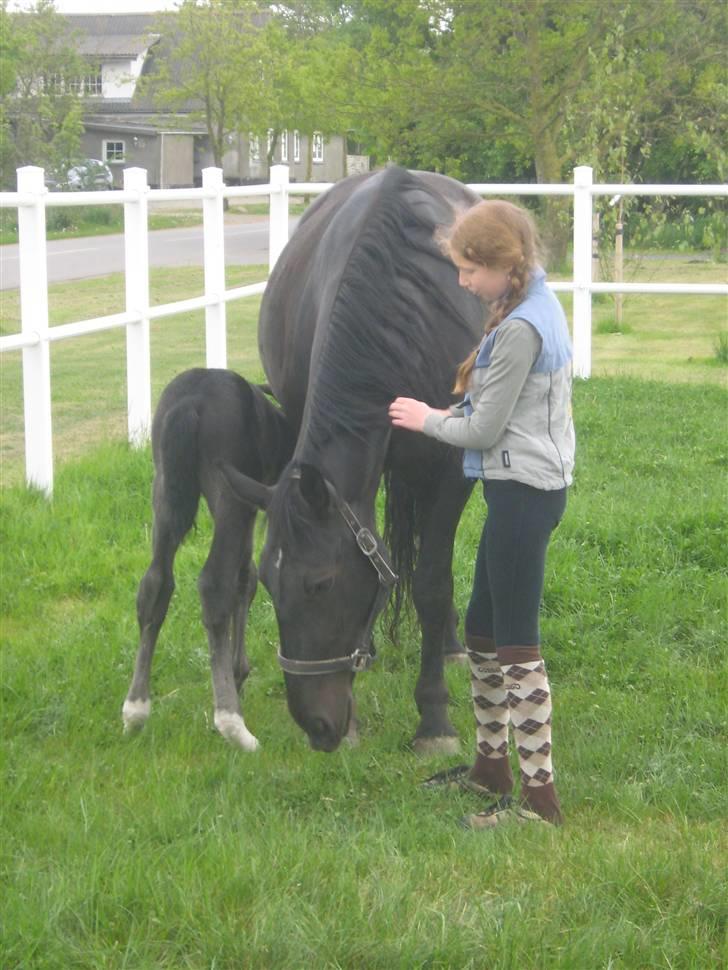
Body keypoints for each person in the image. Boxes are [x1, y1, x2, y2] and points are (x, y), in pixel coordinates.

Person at [388, 200, 575, 829]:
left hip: (524, 492)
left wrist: (425, 419)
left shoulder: (522, 328)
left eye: (470, 270)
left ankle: (539, 803)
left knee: (518, 644)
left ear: (502, 264)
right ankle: (490, 768)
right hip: (515, 489)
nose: (463, 282)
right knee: (483, 631)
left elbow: (486, 425)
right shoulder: (526, 306)